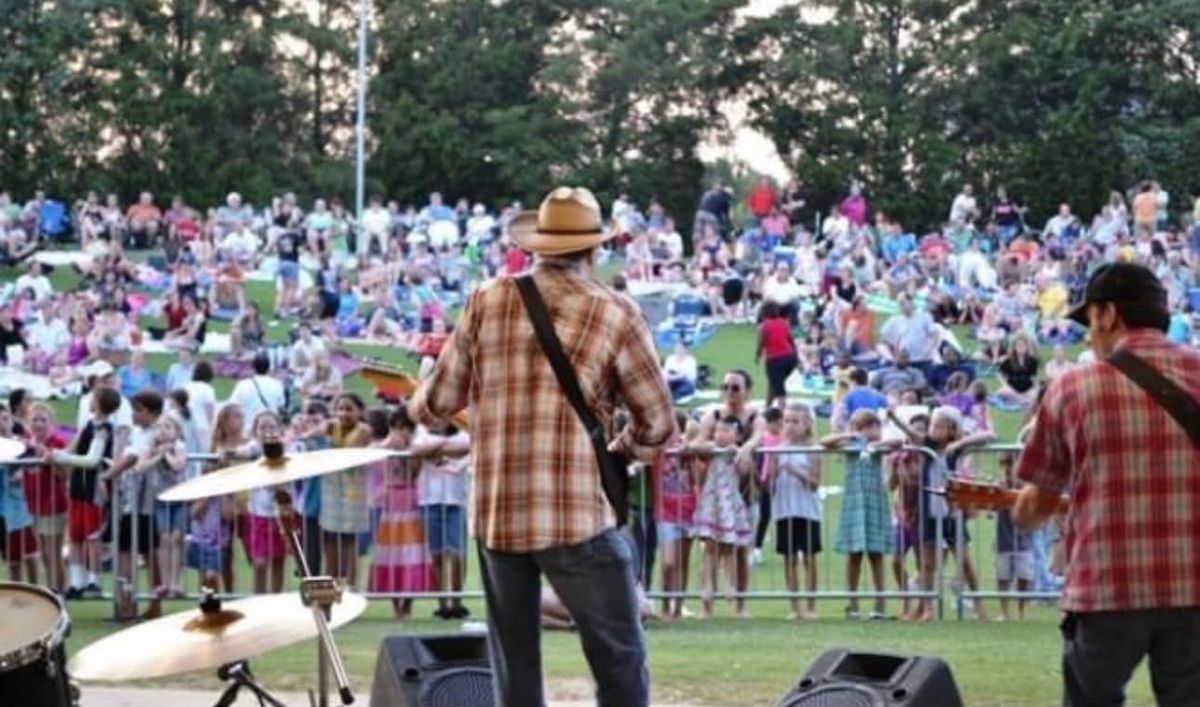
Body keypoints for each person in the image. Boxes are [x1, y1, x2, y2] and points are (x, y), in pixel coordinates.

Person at [410, 186, 674, 707]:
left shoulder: (486, 299)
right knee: (619, 661)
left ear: (538, 245)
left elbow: (437, 403)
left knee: (515, 671)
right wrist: (621, 452)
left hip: (497, 515)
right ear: (594, 249)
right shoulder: (615, 311)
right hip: (575, 513)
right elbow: (659, 422)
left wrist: (418, 399)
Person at [1013, 262, 1200, 707]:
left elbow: (1036, 504)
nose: (1089, 336)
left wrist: (1019, 508)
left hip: (1108, 587)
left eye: (1089, 322)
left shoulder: (1073, 387)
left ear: (1107, 315)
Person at [821, 409, 897, 620]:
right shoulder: (851, 446)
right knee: (853, 555)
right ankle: (852, 605)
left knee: (876, 555)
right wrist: (850, 435)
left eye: (874, 426)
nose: (871, 431)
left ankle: (879, 605)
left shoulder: (878, 449)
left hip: (875, 504)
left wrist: (876, 444)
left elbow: (898, 443)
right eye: (865, 427)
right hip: (854, 504)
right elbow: (825, 441)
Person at [368, 406, 434, 620]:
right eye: (398, 427)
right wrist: (392, 443)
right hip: (390, 508)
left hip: (410, 505)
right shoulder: (384, 446)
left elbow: (413, 474)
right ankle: (396, 606)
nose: (402, 432)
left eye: (406, 428)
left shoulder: (415, 448)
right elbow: (377, 452)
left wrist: (411, 452)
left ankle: (408, 605)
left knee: (412, 554)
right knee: (391, 555)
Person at [770, 404, 822, 620]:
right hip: (785, 510)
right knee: (789, 558)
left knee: (809, 558)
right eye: (787, 421)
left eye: (795, 421)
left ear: (806, 424)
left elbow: (815, 483)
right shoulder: (777, 450)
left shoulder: (813, 450)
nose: (790, 426)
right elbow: (770, 482)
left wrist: (796, 472)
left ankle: (811, 606)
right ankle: (794, 606)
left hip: (807, 511)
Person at [227, 352, 285, 434]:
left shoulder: (243, 385)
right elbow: (281, 406)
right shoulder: (277, 385)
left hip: (249, 430)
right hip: (271, 430)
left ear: (253, 367)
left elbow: (231, 407)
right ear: (269, 368)